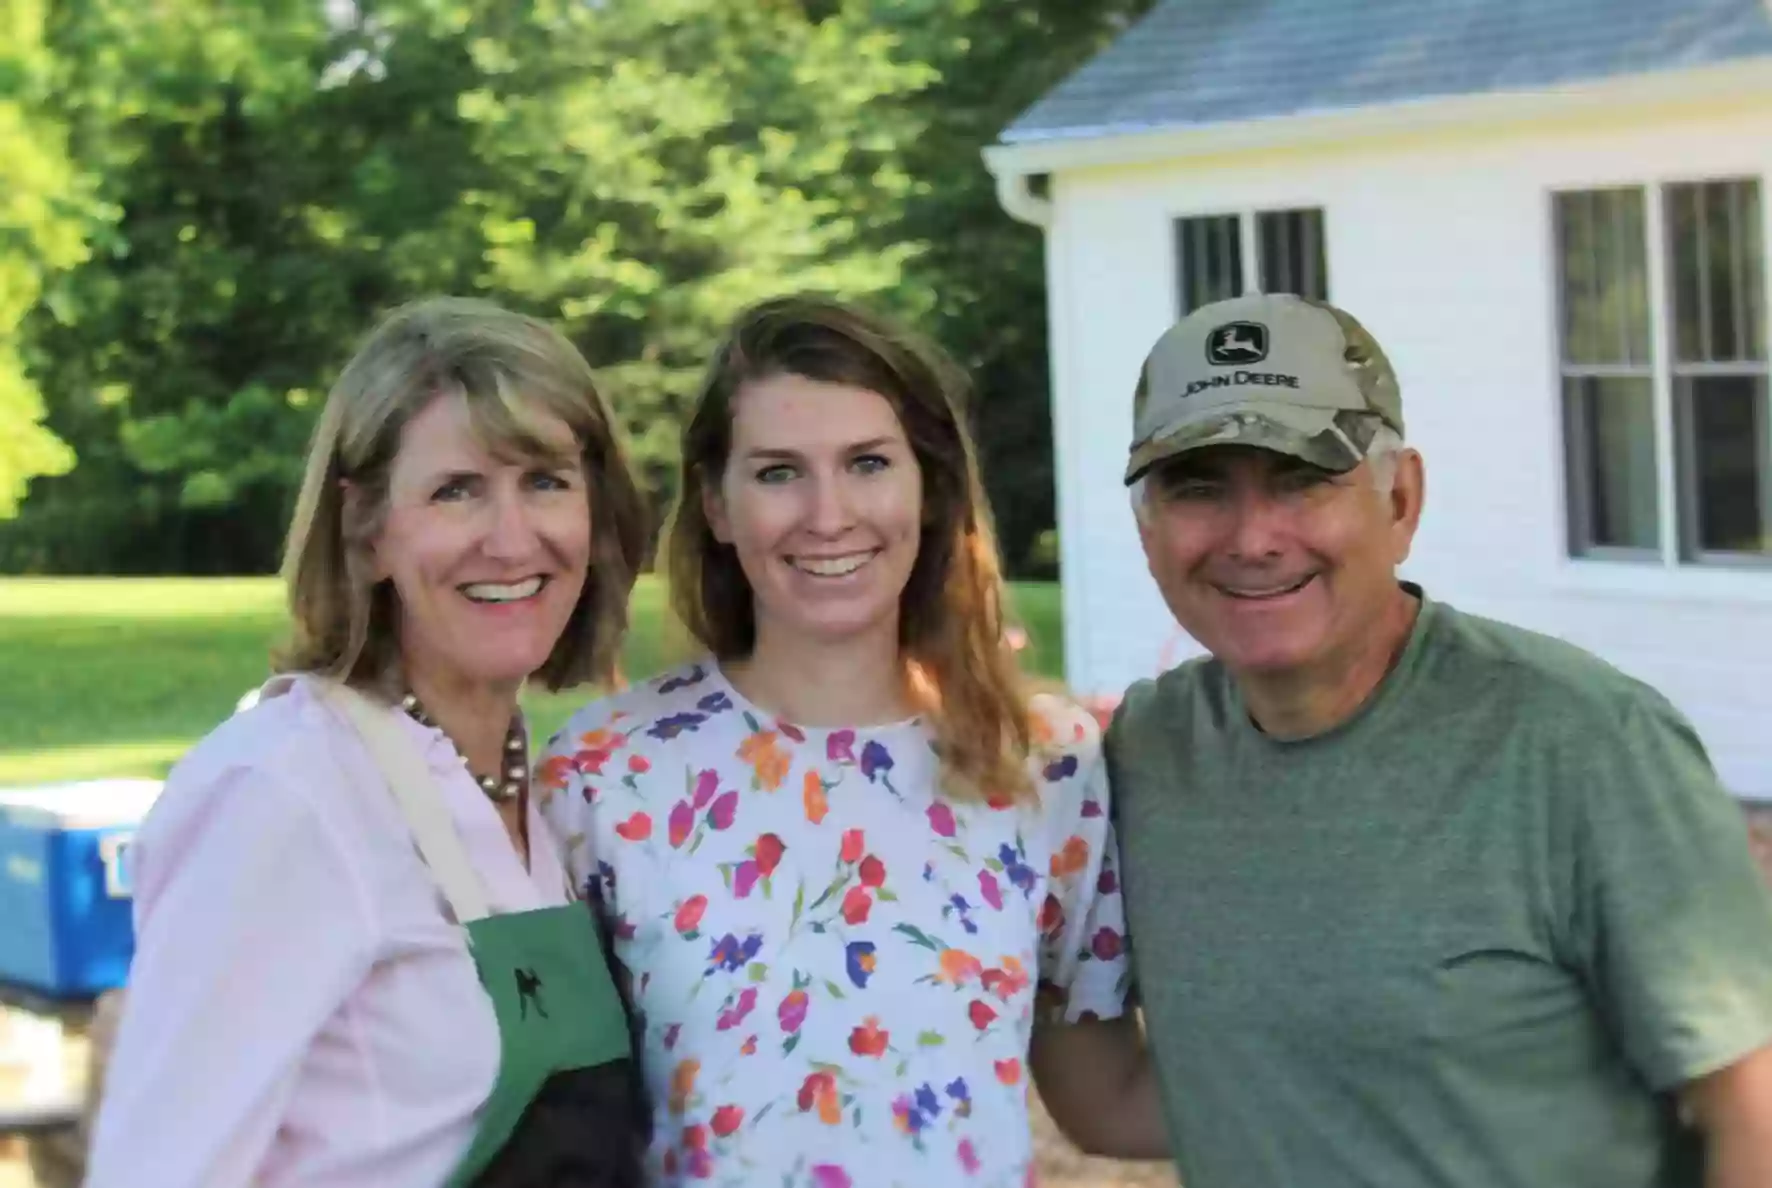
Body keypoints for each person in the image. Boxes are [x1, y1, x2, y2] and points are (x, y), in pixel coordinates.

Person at [1039, 292, 1772, 1187]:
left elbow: (1752, 1106)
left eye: (1304, 479)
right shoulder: (1146, 756)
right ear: (1147, 529)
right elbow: (1117, 1104)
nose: (1252, 537)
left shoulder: (1583, 743)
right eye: (1199, 489)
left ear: (1402, 498)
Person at [536, 293, 1142, 1186]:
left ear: (931, 488)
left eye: (867, 463)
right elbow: (536, 1116)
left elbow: (1104, 1096)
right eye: (779, 472)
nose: (829, 514)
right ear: (716, 503)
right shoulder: (605, 774)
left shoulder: (1043, 761)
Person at [83, 296, 654, 1188]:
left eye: (545, 480)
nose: (512, 540)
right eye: (456, 491)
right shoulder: (283, 791)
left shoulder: (539, 792)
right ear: (366, 530)